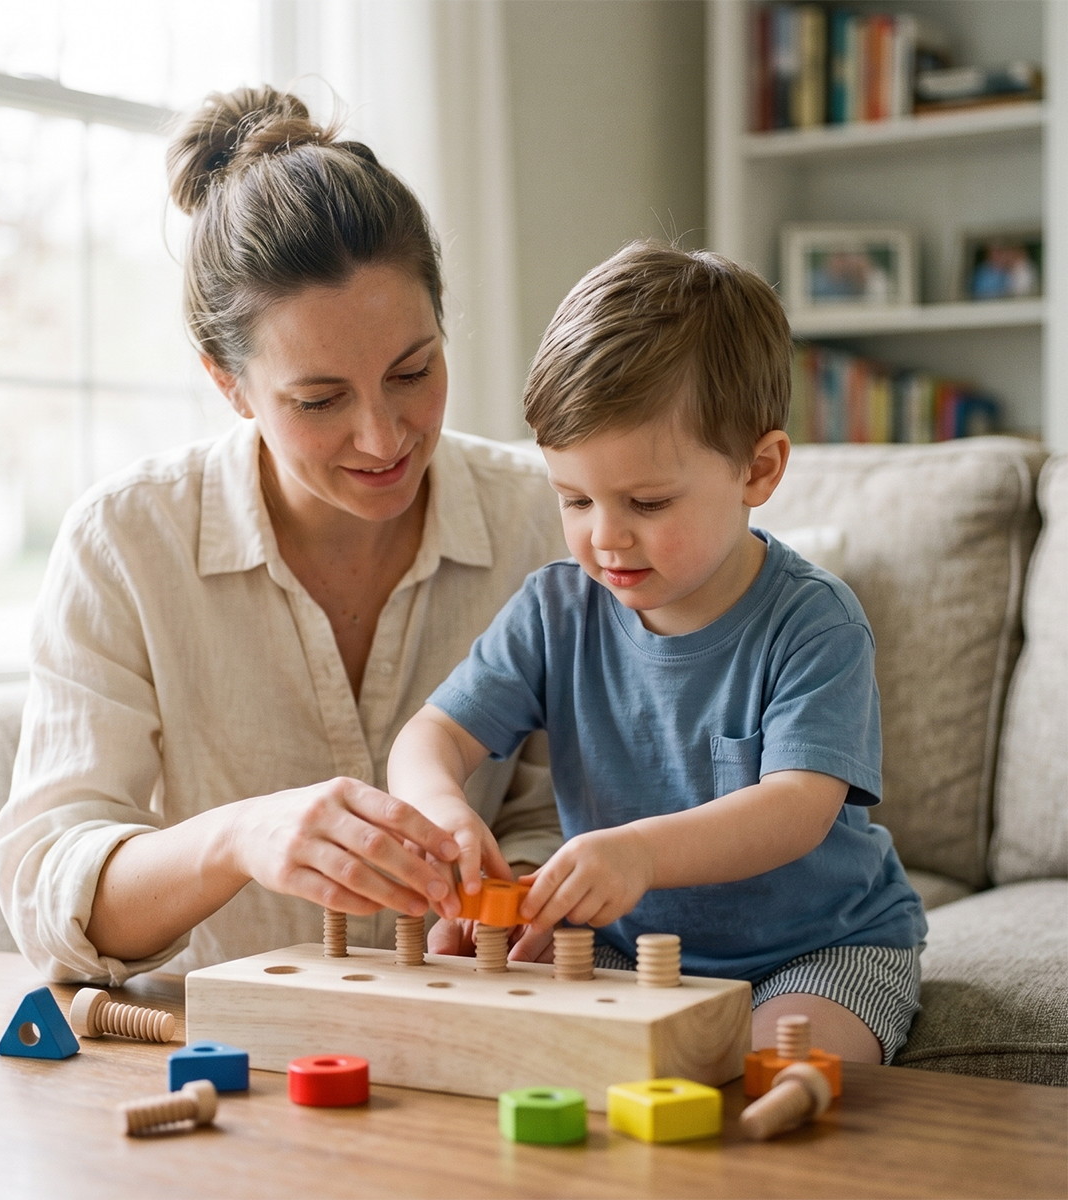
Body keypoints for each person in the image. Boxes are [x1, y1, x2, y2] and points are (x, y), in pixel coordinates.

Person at [0, 85, 566, 985]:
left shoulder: (545, 519)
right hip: (229, 1066)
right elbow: (47, 894)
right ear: (229, 385)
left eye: (413, 371)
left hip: (479, 1046)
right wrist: (236, 838)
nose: (384, 438)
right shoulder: (127, 543)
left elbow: (562, 805)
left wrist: (519, 896)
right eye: (319, 400)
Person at [387, 242, 927, 1065]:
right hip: (625, 951)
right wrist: (447, 814)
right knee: (497, 1047)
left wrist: (637, 852)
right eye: (574, 499)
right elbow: (428, 739)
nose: (604, 537)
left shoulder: (816, 620)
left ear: (759, 469)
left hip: (821, 953)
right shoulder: (557, 609)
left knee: (773, 1071)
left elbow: (796, 808)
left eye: (646, 501)